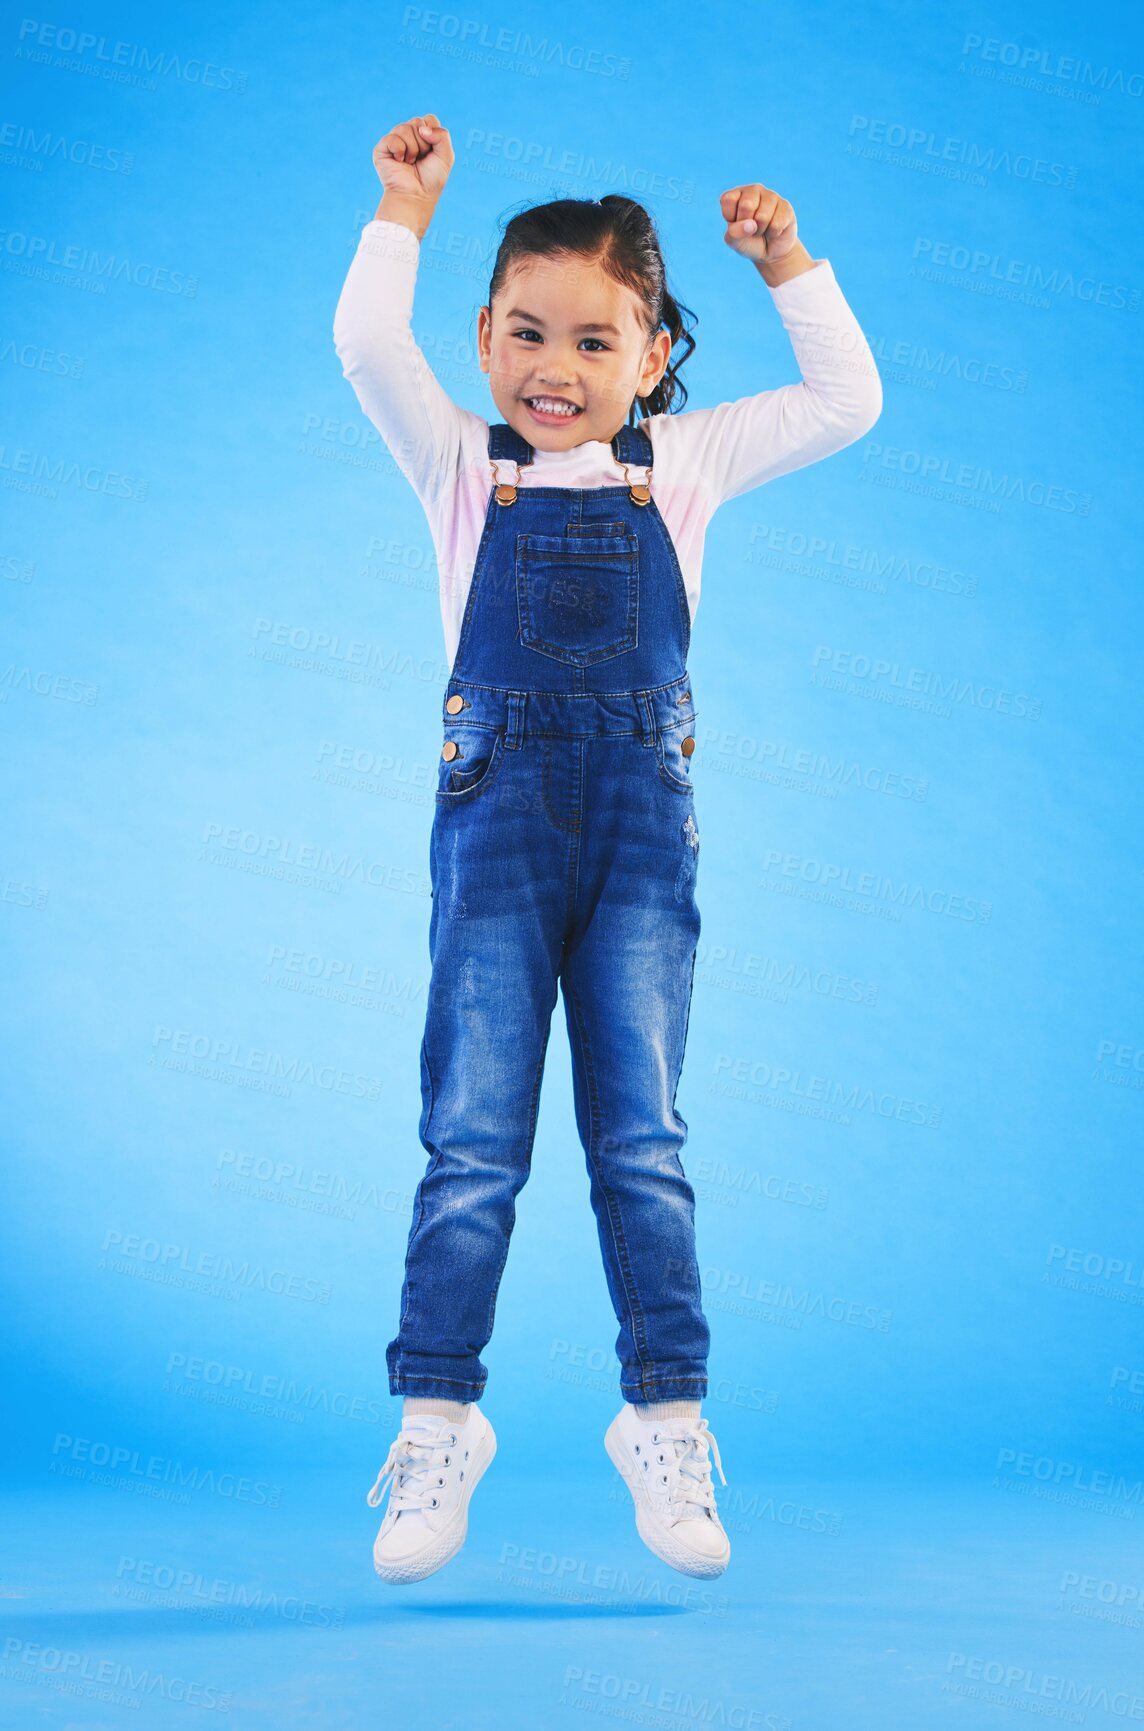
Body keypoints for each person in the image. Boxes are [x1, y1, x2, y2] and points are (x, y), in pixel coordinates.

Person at [334, 111, 883, 1587]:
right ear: (483, 337)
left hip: (641, 835)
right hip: (496, 834)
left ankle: (664, 1416)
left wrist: (787, 265)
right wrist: (404, 209)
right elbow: (364, 352)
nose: (552, 371)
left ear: (648, 357)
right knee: (470, 1144)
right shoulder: (460, 466)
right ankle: (439, 1412)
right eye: (523, 336)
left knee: (639, 1141)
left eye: (593, 342)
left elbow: (845, 399)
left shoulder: (683, 469)